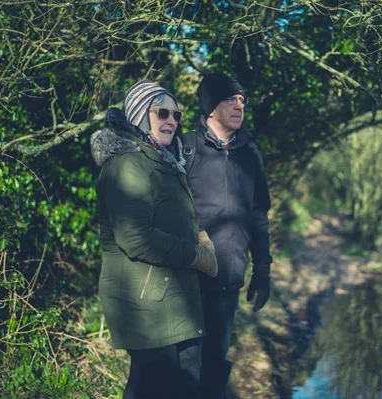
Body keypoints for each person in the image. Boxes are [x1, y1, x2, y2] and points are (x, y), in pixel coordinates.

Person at [91, 80, 218, 399]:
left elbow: (168, 216)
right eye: (162, 112)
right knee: (155, 389)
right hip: (147, 304)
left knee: (184, 385)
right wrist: (196, 255)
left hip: (175, 298)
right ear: (137, 115)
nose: (172, 120)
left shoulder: (163, 161)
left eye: (176, 114)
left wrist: (198, 234)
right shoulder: (126, 165)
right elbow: (136, 238)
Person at [181, 73, 273, 398]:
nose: (239, 104)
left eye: (242, 100)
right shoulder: (186, 148)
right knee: (185, 370)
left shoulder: (250, 153)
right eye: (231, 98)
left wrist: (263, 269)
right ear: (210, 106)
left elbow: (259, 214)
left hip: (227, 283)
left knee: (215, 367)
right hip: (186, 283)